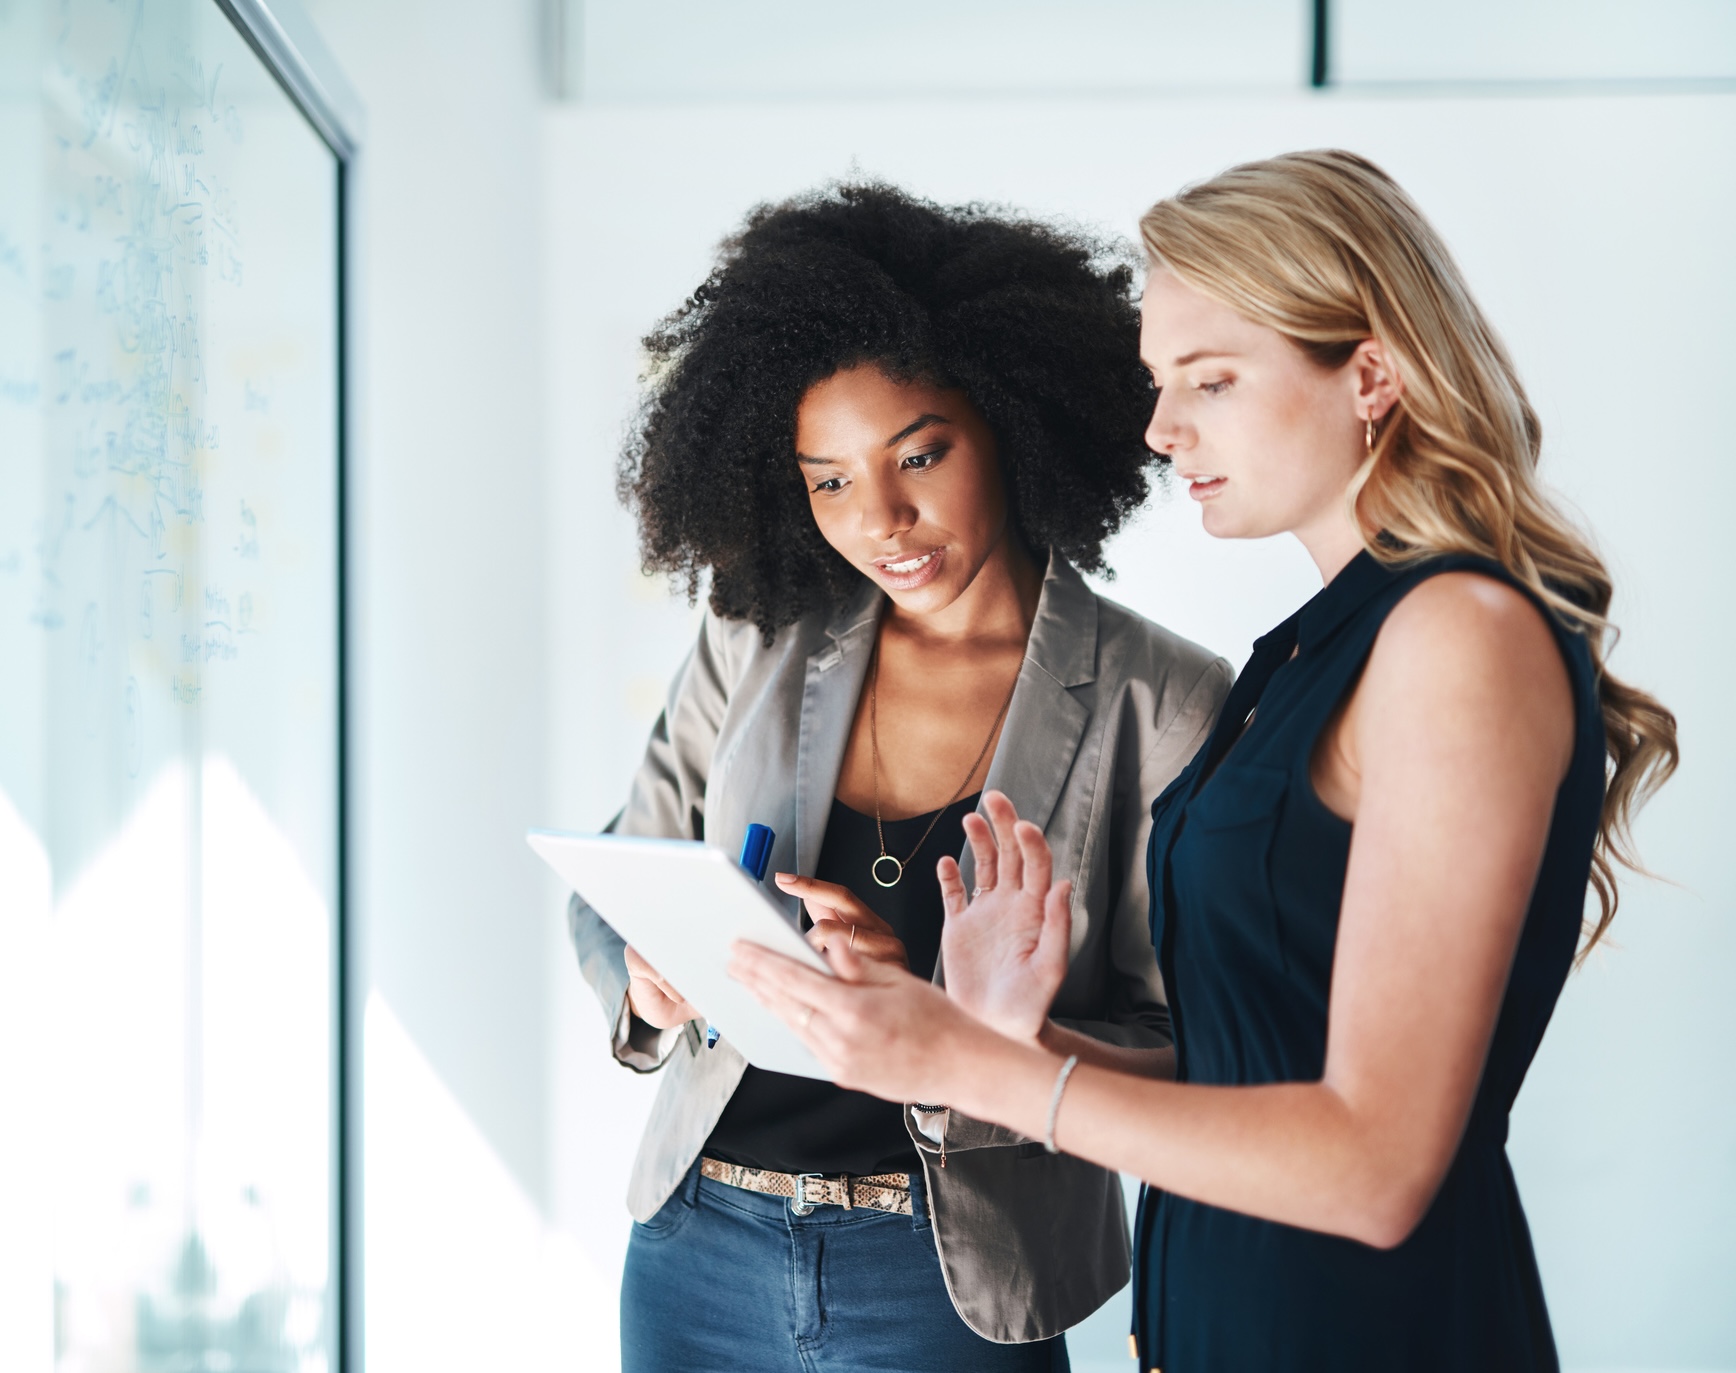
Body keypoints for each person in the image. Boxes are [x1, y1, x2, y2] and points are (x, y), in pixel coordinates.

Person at [731, 150, 1680, 1372]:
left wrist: (969, 1067)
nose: (1160, 427)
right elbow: (1247, 1063)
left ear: (1372, 374)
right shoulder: (1302, 652)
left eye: (1210, 381)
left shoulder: (1456, 636)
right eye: (1156, 382)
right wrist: (1007, 1034)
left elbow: (1375, 1167)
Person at [567, 182, 1232, 1372]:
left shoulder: (1161, 700)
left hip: (947, 1270)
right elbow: (618, 871)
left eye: (918, 453)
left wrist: (945, 1014)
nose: (879, 518)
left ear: (1010, 421)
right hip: (696, 1241)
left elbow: (1187, 1039)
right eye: (827, 479)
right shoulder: (756, 633)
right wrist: (648, 981)